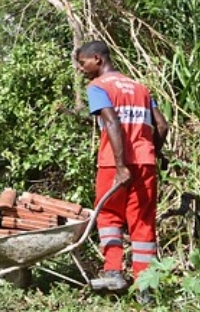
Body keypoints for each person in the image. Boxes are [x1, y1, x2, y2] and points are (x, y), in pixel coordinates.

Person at [75, 40, 168, 304]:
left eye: (83, 63)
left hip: (113, 164)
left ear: (97, 59)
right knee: (143, 223)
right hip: (145, 163)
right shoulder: (140, 88)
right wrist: (154, 152)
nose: (81, 69)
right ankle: (145, 289)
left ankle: (113, 272)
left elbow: (112, 121)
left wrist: (120, 165)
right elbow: (162, 126)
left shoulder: (98, 86)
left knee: (108, 215)